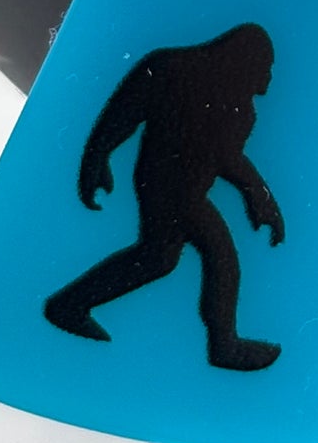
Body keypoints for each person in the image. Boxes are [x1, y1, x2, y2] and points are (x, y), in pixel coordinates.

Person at [44, 21, 285, 371]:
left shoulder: (241, 110)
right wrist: (96, 158)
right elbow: (121, 114)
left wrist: (259, 198)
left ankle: (68, 305)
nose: (267, 80)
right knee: (220, 257)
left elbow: (227, 158)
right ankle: (224, 346)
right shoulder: (171, 68)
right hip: (164, 187)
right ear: (243, 62)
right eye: (265, 68)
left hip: (186, 191)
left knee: (158, 258)